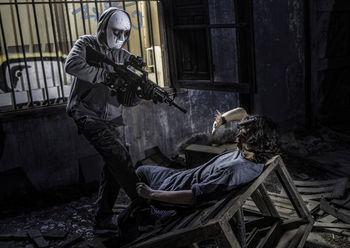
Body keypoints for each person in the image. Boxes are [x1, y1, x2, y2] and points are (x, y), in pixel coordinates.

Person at [65, 7, 157, 232]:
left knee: (115, 162)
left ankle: (102, 219)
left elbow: (127, 101)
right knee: (118, 157)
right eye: (116, 32)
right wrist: (106, 76)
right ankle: (144, 207)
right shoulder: (86, 44)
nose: (120, 38)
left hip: (114, 117)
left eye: (125, 34)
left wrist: (140, 92)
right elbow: (72, 65)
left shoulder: (124, 57)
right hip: (86, 112)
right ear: (104, 27)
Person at [135, 107, 279, 206]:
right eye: (239, 133)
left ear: (255, 142)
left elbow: (193, 197)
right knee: (142, 172)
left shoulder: (235, 170)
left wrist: (152, 194)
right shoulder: (253, 155)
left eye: (242, 136)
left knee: (140, 172)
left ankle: (144, 211)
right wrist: (221, 120)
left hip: (173, 187)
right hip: (181, 176)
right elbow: (242, 113)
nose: (236, 138)